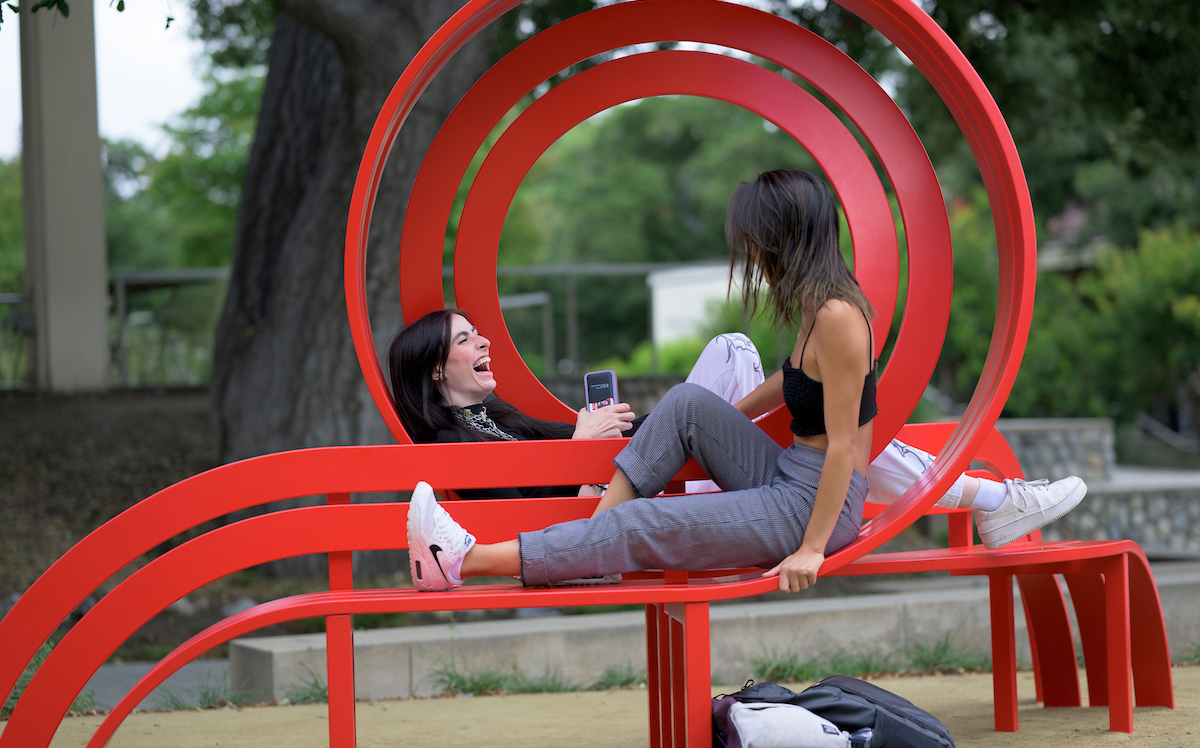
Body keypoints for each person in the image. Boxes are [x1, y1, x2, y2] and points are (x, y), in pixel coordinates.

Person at [400, 170, 1084, 594]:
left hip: (810, 506)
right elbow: (785, 389)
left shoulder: (840, 317)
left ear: (781, 236)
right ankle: (593, 542)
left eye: (753, 240)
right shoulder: (817, 306)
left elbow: (849, 449)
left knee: (646, 523)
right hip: (786, 473)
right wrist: (711, 417)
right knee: (689, 402)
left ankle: (463, 562)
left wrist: (812, 549)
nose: (748, 254)